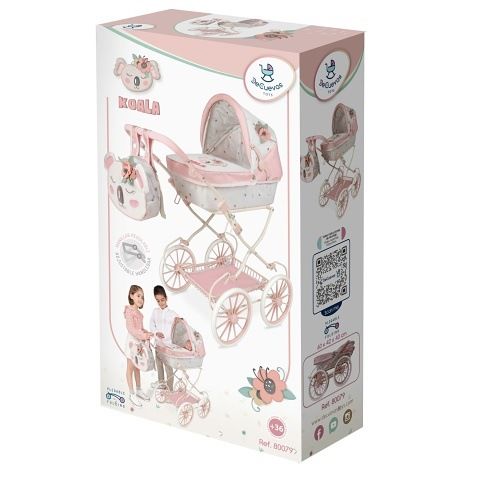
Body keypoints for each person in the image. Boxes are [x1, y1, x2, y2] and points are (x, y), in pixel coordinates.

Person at [124, 285, 152, 407]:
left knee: (137, 367)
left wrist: (147, 333)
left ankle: (139, 390)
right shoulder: (129, 311)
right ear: (131, 296)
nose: (141, 299)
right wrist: (143, 335)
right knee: (130, 368)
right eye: (138, 296)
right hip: (132, 343)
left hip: (139, 343)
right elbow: (131, 329)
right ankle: (131, 393)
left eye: (142, 297)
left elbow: (140, 329)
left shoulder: (139, 314)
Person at [149, 286, 178, 391]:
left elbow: (177, 328)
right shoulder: (155, 311)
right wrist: (156, 332)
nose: (160, 303)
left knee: (168, 367)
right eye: (158, 301)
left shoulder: (172, 314)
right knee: (159, 364)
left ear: (166, 298)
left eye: (162, 300)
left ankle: (170, 388)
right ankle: (161, 382)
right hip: (158, 344)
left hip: (167, 346)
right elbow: (151, 324)